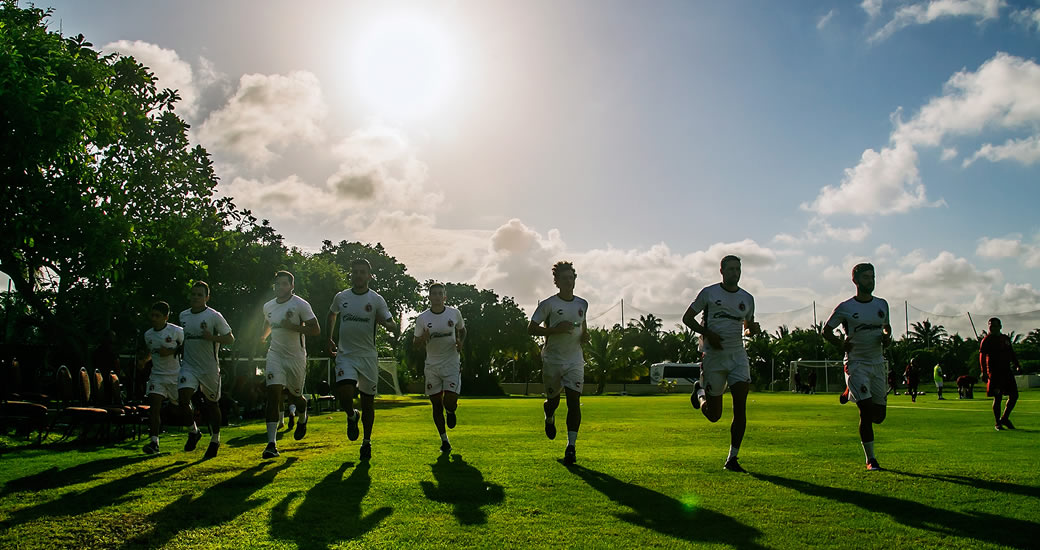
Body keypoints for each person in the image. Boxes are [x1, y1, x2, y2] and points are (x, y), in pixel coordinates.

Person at [682, 255, 761, 473]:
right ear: (722, 271)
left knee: (740, 407)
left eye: (738, 269)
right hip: (713, 357)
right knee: (714, 415)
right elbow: (687, 318)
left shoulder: (748, 298)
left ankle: (732, 458)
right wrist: (707, 333)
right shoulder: (709, 293)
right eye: (731, 269)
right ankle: (699, 393)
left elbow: (747, 326)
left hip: (738, 357)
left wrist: (752, 330)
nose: (735, 273)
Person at [326, 259, 399, 461]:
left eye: (362, 272)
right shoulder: (342, 297)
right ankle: (351, 415)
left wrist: (387, 323)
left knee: (368, 403)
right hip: (345, 355)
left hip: (367, 356)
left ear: (369, 275)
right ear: (351, 274)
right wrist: (329, 338)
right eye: (355, 272)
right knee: (345, 392)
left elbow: (392, 324)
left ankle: (366, 442)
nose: (358, 275)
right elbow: (331, 314)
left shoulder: (376, 300)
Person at [822, 263, 891, 471]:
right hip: (856, 363)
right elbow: (826, 331)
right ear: (856, 280)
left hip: (877, 364)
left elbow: (887, 328)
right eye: (867, 277)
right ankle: (871, 460)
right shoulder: (846, 308)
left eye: (873, 277)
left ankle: (849, 391)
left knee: (879, 416)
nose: (871, 281)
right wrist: (839, 344)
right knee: (866, 411)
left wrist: (887, 338)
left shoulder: (882, 304)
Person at [529, 261, 590, 466]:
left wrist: (585, 336)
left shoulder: (582, 303)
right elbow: (531, 328)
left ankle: (571, 448)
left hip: (575, 360)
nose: (569, 281)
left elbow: (583, 327)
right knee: (553, 400)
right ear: (556, 282)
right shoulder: (548, 304)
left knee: (574, 402)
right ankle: (549, 415)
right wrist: (554, 330)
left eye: (572, 277)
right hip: (553, 359)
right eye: (564, 278)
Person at [260, 270, 320, 459]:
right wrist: (262, 337)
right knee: (273, 394)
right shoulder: (268, 306)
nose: (280, 287)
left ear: (292, 286)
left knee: (295, 397)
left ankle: (302, 417)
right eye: (277, 284)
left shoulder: (300, 304)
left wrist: (292, 327)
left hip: (296, 356)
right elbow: (268, 322)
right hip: (275, 354)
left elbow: (315, 330)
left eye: (284, 284)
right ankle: (271, 444)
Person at [177, 281, 235, 459]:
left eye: (199, 295)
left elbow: (230, 338)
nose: (195, 297)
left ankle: (215, 439)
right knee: (182, 398)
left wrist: (212, 338)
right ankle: (193, 431)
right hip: (189, 366)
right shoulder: (183, 316)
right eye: (193, 294)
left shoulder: (213, 316)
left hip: (209, 367)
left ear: (207, 297)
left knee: (212, 404)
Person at [413, 283, 466, 454]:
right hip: (432, 366)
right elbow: (415, 344)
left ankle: (450, 411)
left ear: (445, 297)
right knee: (436, 405)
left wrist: (460, 341)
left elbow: (462, 330)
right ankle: (444, 440)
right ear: (429, 297)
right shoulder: (422, 318)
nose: (436, 296)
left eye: (439, 293)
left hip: (451, 364)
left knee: (449, 401)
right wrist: (423, 338)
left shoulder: (454, 313)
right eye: (433, 293)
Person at [141, 301, 184, 455]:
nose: (154, 318)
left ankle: (194, 429)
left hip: (174, 376)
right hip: (157, 376)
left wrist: (171, 351)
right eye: (152, 315)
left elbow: (186, 347)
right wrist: (144, 361)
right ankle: (154, 442)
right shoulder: (148, 334)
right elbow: (151, 352)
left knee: (182, 408)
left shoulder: (176, 331)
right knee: (154, 408)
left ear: (166, 317)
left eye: (157, 316)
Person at [979, 318, 1022, 430]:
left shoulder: (1005, 339)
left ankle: (1005, 418)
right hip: (994, 372)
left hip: (1006, 371)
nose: (992, 328)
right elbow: (982, 356)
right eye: (991, 326)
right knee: (997, 397)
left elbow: (1011, 353)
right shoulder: (986, 340)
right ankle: (997, 422)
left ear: (1000, 326)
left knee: (1014, 395)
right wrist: (983, 371)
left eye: (995, 326)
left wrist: (1017, 364)